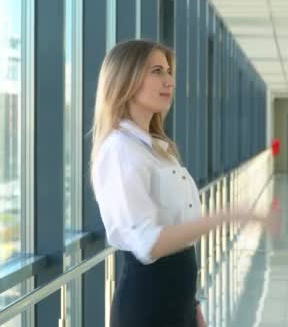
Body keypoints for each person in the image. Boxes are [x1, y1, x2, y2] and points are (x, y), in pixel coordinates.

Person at [90, 39, 278, 327]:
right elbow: (148, 244)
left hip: (178, 298)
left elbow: (176, 236)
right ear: (125, 78)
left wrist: (192, 305)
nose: (169, 81)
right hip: (148, 305)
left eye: (168, 71)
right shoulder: (120, 150)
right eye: (156, 71)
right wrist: (225, 216)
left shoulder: (158, 148)